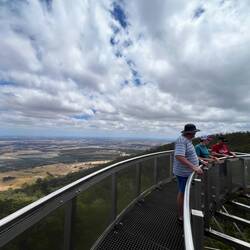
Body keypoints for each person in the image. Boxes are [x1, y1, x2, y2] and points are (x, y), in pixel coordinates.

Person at [173, 123, 203, 224]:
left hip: (187, 172)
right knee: (182, 193)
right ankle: (181, 216)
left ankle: (183, 212)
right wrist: (194, 167)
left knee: (184, 192)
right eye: (194, 132)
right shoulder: (182, 141)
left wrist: (200, 162)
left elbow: (191, 155)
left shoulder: (188, 141)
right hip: (183, 173)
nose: (195, 134)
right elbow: (179, 156)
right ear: (190, 132)